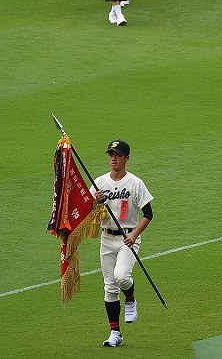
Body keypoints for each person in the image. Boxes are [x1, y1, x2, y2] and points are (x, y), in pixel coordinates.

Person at [92, 140, 154, 347]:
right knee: (110, 288)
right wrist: (95, 201)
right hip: (107, 239)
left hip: (128, 238)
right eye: (111, 154)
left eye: (117, 155)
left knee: (121, 276)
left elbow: (148, 214)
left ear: (127, 158)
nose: (113, 158)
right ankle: (115, 333)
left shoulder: (135, 183)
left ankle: (130, 298)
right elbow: (89, 214)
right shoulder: (99, 183)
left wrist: (135, 234)